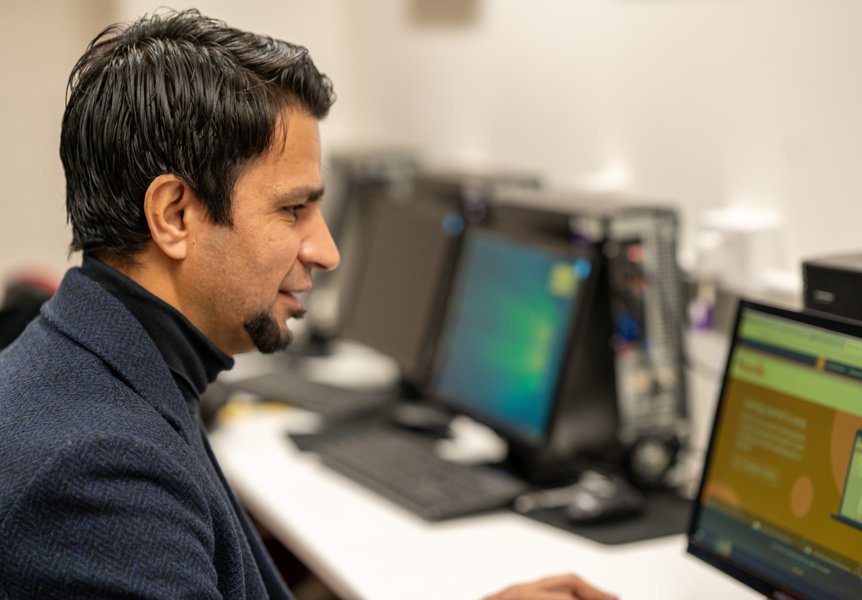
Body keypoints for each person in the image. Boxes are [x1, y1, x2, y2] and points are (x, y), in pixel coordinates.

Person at [0, 9, 616, 600]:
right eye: (293, 209)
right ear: (175, 215)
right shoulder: (97, 472)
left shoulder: (116, 372)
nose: (327, 251)